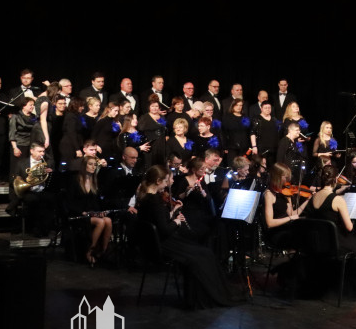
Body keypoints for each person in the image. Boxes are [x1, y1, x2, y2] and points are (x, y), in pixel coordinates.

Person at [135, 165, 235, 308]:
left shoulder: (147, 198)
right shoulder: (155, 201)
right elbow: (165, 229)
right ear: (158, 181)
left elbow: (156, 221)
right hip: (163, 244)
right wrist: (176, 221)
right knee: (203, 255)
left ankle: (200, 297)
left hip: (156, 242)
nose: (169, 183)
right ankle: (206, 298)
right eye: (166, 180)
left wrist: (172, 212)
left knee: (202, 253)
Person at [303, 165, 356, 299]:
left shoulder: (313, 197)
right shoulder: (337, 200)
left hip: (315, 242)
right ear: (335, 180)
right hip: (333, 242)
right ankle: (352, 289)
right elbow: (349, 227)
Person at [67, 155, 113, 266]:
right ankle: (89, 251)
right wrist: (81, 212)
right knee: (100, 222)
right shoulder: (75, 180)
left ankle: (103, 251)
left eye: (95, 165)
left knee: (108, 220)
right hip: (78, 214)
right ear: (84, 166)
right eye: (90, 164)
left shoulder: (94, 181)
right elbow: (69, 202)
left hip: (90, 214)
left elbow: (95, 203)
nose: (93, 167)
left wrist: (100, 212)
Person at [222, 98, 251, 165]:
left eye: (240, 105)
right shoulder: (227, 117)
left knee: (243, 166)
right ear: (233, 106)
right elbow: (224, 133)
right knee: (232, 166)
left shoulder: (245, 118)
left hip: (244, 147)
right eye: (237, 105)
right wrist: (225, 147)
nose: (239, 107)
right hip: (232, 146)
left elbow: (248, 132)